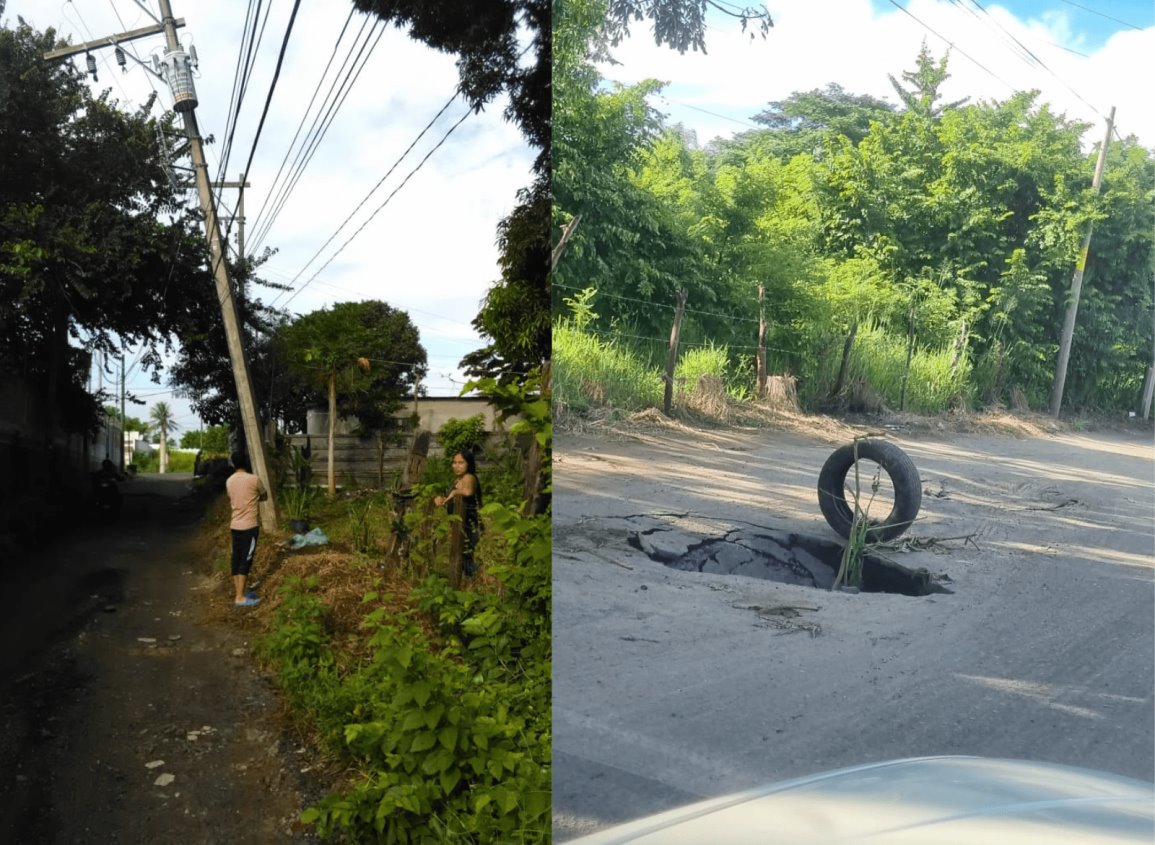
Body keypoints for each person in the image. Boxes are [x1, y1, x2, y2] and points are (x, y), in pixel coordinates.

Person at [226, 451, 266, 607]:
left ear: (233, 464)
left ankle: (239, 592)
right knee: (246, 560)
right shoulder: (254, 479)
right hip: (250, 527)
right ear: (247, 462)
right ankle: (240, 598)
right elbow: (264, 495)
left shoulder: (229, 481)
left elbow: (233, 498)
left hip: (235, 526)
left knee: (236, 558)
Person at [434, 449, 483, 577]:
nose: (457, 466)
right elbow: (449, 499)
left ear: (469, 464)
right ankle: (466, 582)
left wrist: (455, 492)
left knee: (465, 555)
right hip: (460, 525)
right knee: (462, 554)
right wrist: (441, 498)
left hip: (470, 525)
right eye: (454, 462)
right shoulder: (457, 480)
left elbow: (467, 492)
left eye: (461, 462)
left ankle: (475, 578)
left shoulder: (469, 477)